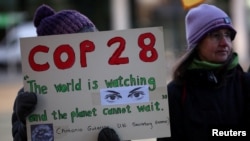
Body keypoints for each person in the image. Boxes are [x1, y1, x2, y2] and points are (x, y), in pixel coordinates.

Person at [11, 4, 120, 141]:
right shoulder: (28, 97)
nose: (91, 54)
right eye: (83, 48)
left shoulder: (110, 89)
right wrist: (25, 127)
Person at [158, 4, 250, 141]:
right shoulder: (176, 93)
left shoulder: (245, 83)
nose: (225, 43)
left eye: (227, 35)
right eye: (216, 35)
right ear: (197, 42)